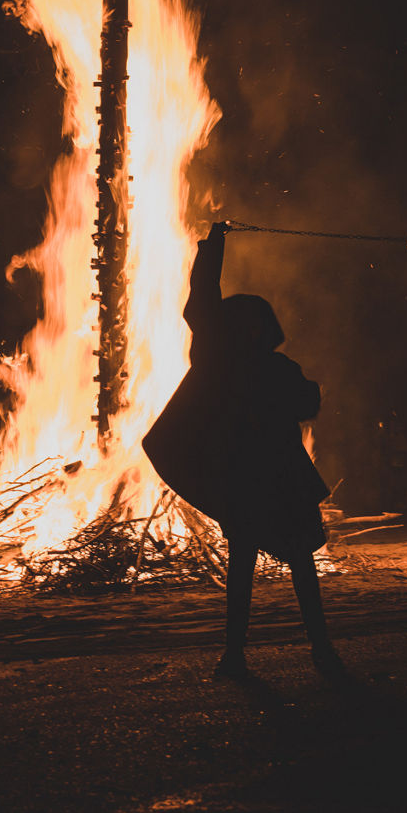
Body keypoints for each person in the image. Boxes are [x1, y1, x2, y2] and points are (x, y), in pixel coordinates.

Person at [143, 221, 342, 681]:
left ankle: (256, 654)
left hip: (261, 480)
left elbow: (304, 403)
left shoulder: (239, 365)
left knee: (263, 568)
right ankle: (290, 653)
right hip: (259, 480)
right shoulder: (232, 363)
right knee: (276, 568)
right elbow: (203, 298)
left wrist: (214, 247)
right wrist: (213, 248)